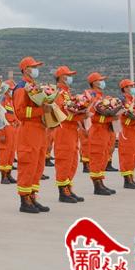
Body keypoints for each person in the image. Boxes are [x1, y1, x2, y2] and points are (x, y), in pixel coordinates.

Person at [12, 57, 51, 213]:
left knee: (38, 165)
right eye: (33, 67)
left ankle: (33, 196)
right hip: (29, 130)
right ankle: (24, 200)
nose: (36, 69)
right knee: (28, 165)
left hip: (40, 129)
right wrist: (41, 110)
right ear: (25, 69)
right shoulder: (21, 88)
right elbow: (20, 112)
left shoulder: (34, 87)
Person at [52, 66, 84, 202]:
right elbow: (62, 114)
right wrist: (79, 116)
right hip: (64, 130)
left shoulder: (67, 93)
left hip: (72, 130)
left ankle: (68, 187)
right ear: (61, 77)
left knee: (72, 160)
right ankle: (63, 191)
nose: (70, 77)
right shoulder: (58, 93)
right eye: (68, 75)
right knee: (64, 159)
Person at [86, 72, 120, 195]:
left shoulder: (100, 97)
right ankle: (97, 185)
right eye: (100, 80)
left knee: (104, 156)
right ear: (94, 82)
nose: (102, 82)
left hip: (105, 130)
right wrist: (110, 119)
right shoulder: (91, 96)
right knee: (97, 156)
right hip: (98, 131)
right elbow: (93, 118)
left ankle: (101, 182)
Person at [116, 79, 135, 190]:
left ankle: (131, 178)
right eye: (131, 86)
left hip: (134, 130)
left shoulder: (132, 100)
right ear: (125, 88)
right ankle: (127, 180)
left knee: (133, 154)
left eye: (133, 86)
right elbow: (123, 119)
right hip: (127, 131)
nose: (133, 88)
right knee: (127, 154)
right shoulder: (122, 100)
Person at [0, 84, 19, 185]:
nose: (11, 91)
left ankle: (9, 173)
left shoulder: (11, 101)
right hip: (5, 128)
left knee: (11, 152)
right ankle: (3, 176)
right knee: (4, 152)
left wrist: (17, 122)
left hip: (12, 128)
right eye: (10, 89)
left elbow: (13, 114)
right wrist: (1, 132)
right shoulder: (1, 100)